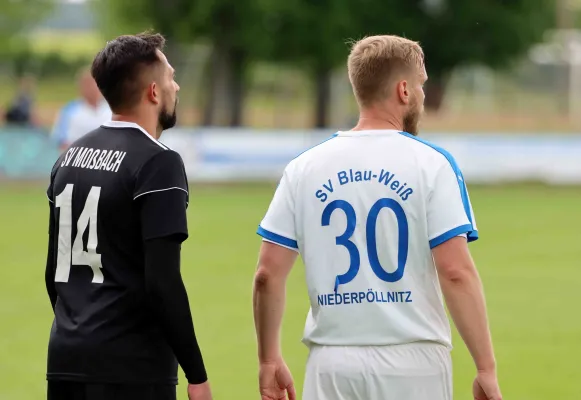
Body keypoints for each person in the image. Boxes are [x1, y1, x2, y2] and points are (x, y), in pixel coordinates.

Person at [252, 35, 502, 400]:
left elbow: (266, 275)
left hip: (332, 363)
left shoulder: (303, 168)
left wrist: (268, 358)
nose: (422, 95)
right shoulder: (432, 163)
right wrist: (485, 368)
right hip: (414, 363)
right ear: (403, 90)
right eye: (421, 85)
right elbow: (455, 271)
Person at [44, 32, 212, 400]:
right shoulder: (158, 162)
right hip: (132, 370)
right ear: (153, 92)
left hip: (64, 361)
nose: (177, 85)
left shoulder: (67, 159)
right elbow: (162, 282)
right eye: (170, 77)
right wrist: (197, 375)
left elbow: (53, 272)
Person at [51, 68, 112, 151]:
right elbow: (61, 142)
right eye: (88, 84)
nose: (93, 88)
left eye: (97, 84)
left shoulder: (112, 109)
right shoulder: (69, 111)